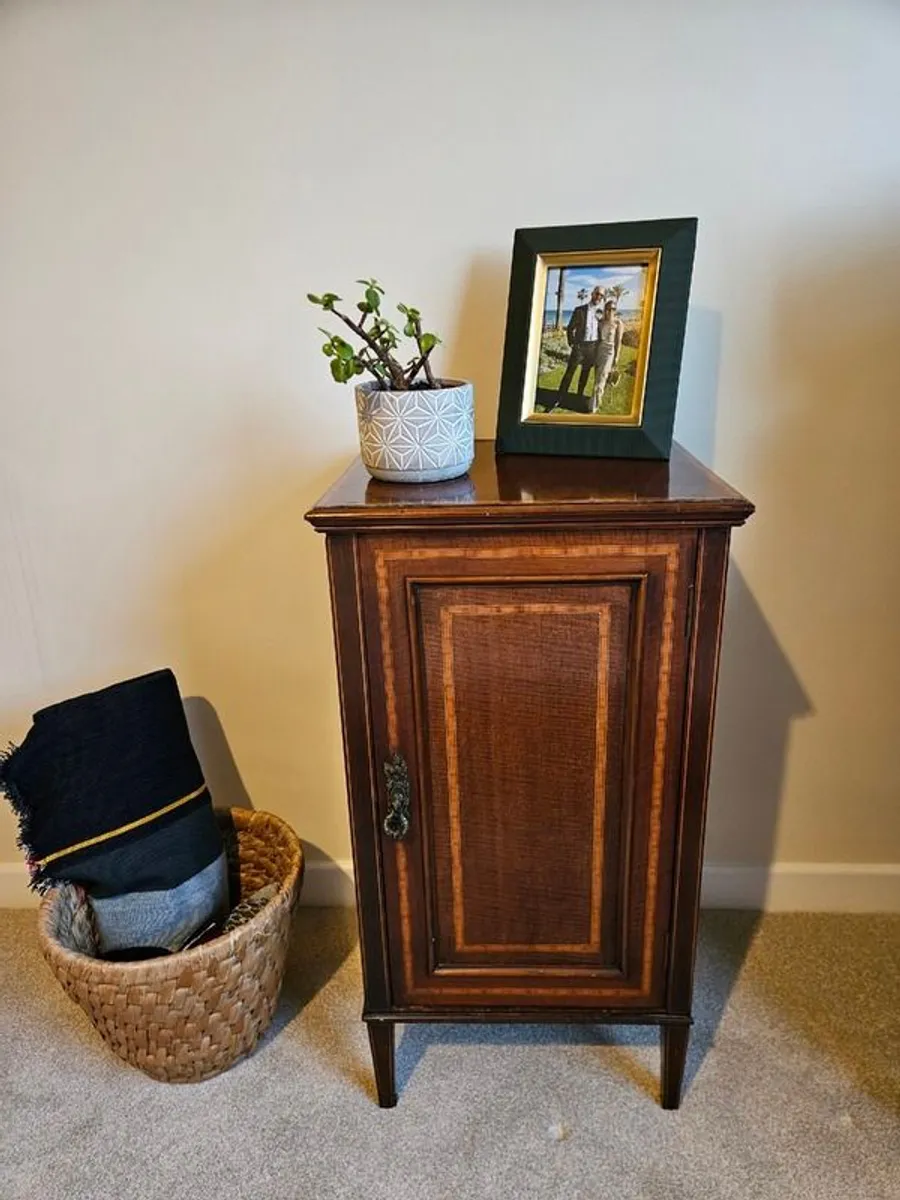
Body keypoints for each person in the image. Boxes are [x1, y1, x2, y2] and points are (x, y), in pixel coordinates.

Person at [547, 286, 605, 412]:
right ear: (592, 294)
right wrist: (572, 343)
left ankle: (578, 396)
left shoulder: (600, 313)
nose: (599, 297)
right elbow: (570, 328)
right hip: (579, 347)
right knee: (569, 374)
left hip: (592, 347)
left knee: (585, 374)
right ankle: (559, 398)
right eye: (597, 294)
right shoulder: (580, 310)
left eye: (601, 296)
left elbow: (602, 329)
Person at [592, 300, 624, 412]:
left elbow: (618, 341)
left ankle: (593, 407)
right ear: (605, 309)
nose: (610, 311)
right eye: (608, 308)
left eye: (613, 309)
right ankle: (597, 399)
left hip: (610, 353)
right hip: (599, 351)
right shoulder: (601, 322)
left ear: (615, 310)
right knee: (598, 377)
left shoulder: (618, 323)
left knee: (601, 377)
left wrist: (616, 356)